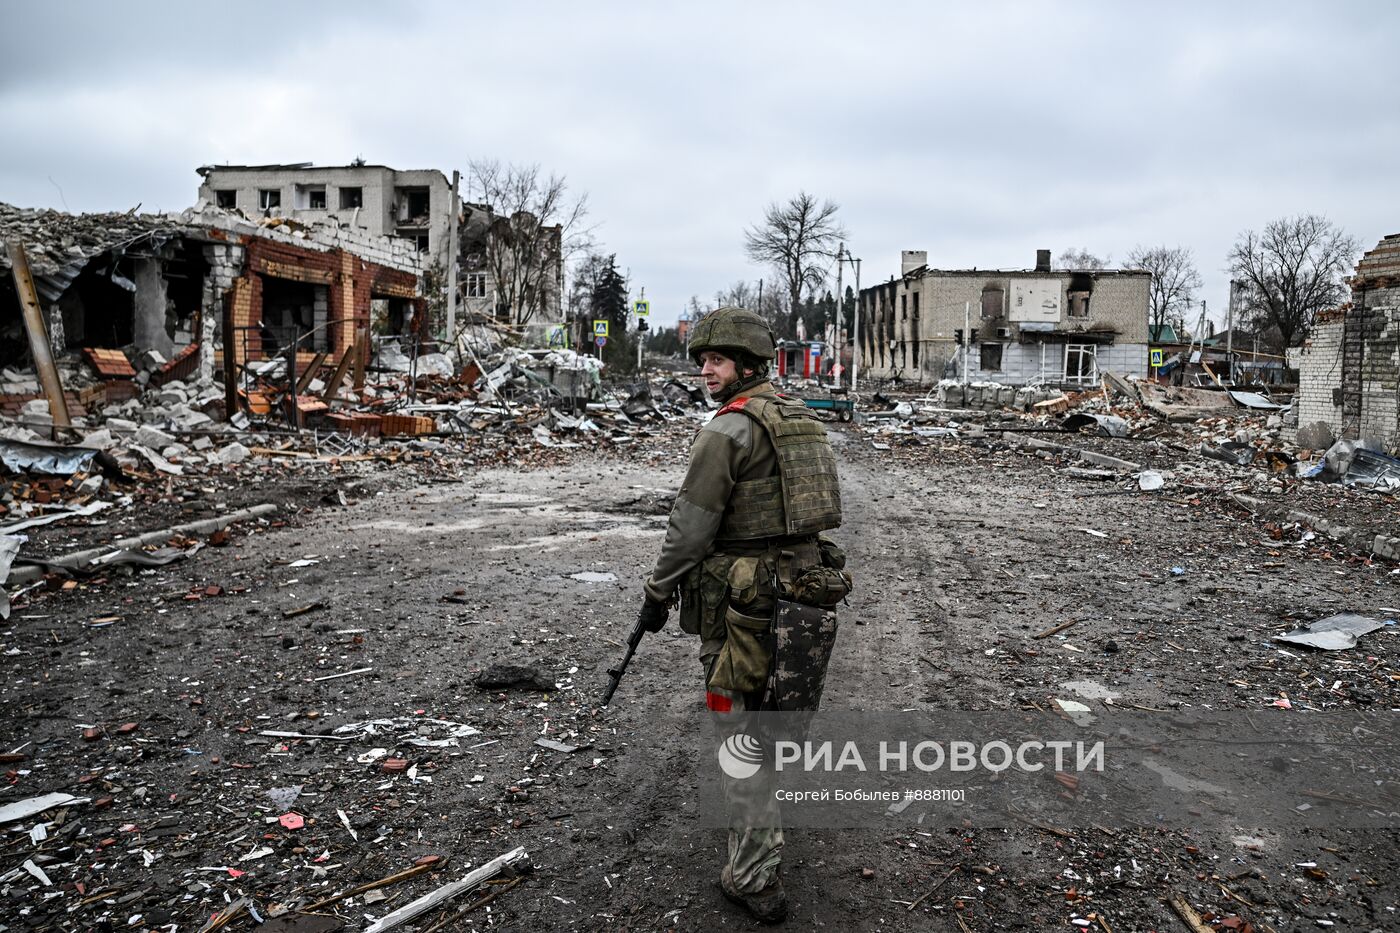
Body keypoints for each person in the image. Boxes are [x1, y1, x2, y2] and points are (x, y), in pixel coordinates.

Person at [637, 306, 847, 924]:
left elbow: (690, 527)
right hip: (803, 589)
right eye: (703, 360)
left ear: (749, 366)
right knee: (779, 715)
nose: (706, 371)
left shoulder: (727, 430)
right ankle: (763, 830)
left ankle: (753, 873)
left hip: (747, 602)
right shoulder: (800, 418)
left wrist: (657, 593)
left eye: (718, 361)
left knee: (737, 728)